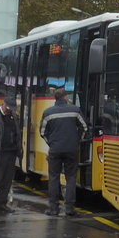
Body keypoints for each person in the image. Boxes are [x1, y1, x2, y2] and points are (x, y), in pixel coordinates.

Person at [40, 87, 88, 217]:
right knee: (71, 177)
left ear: (55, 98)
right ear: (65, 97)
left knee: (54, 177)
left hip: (55, 149)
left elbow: (42, 132)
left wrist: (51, 143)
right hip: (72, 149)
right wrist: (77, 140)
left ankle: (53, 209)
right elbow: (84, 127)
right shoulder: (75, 110)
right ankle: (69, 208)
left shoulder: (48, 112)